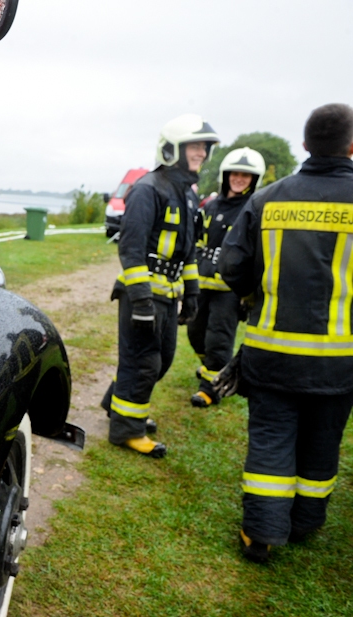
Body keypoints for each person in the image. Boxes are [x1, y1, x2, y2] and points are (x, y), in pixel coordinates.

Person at [218, 103, 353, 563]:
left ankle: (262, 535)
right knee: (323, 437)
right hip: (341, 361)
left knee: (272, 439)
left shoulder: (267, 198)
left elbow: (231, 267)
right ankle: (307, 522)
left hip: (270, 352)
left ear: (305, 145)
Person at [100, 114, 219, 458]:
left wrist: (193, 292)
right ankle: (127, 430)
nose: (201, 153)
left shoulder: (188, 194)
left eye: (204, 147)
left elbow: (189, 251)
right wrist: (140, 302)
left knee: (163, 359)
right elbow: (131, 248)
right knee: (143, 362)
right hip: (143, 294)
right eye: (194, 145)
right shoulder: (147, 189)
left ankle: (118, 404)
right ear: (172, 149)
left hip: (169, 294)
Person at [187, 147, 266, 407]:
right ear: (226, 175)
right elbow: (197, 240)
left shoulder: (253, 208)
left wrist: (249, 291)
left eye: (246, 175)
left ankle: (211, 389)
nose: (239, 179)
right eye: (235, 174)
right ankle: (211, 366)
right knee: (195, 332)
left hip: (229, 290)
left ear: (254, 180)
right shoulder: (211, 205)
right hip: (202, 284)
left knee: (219, 337)